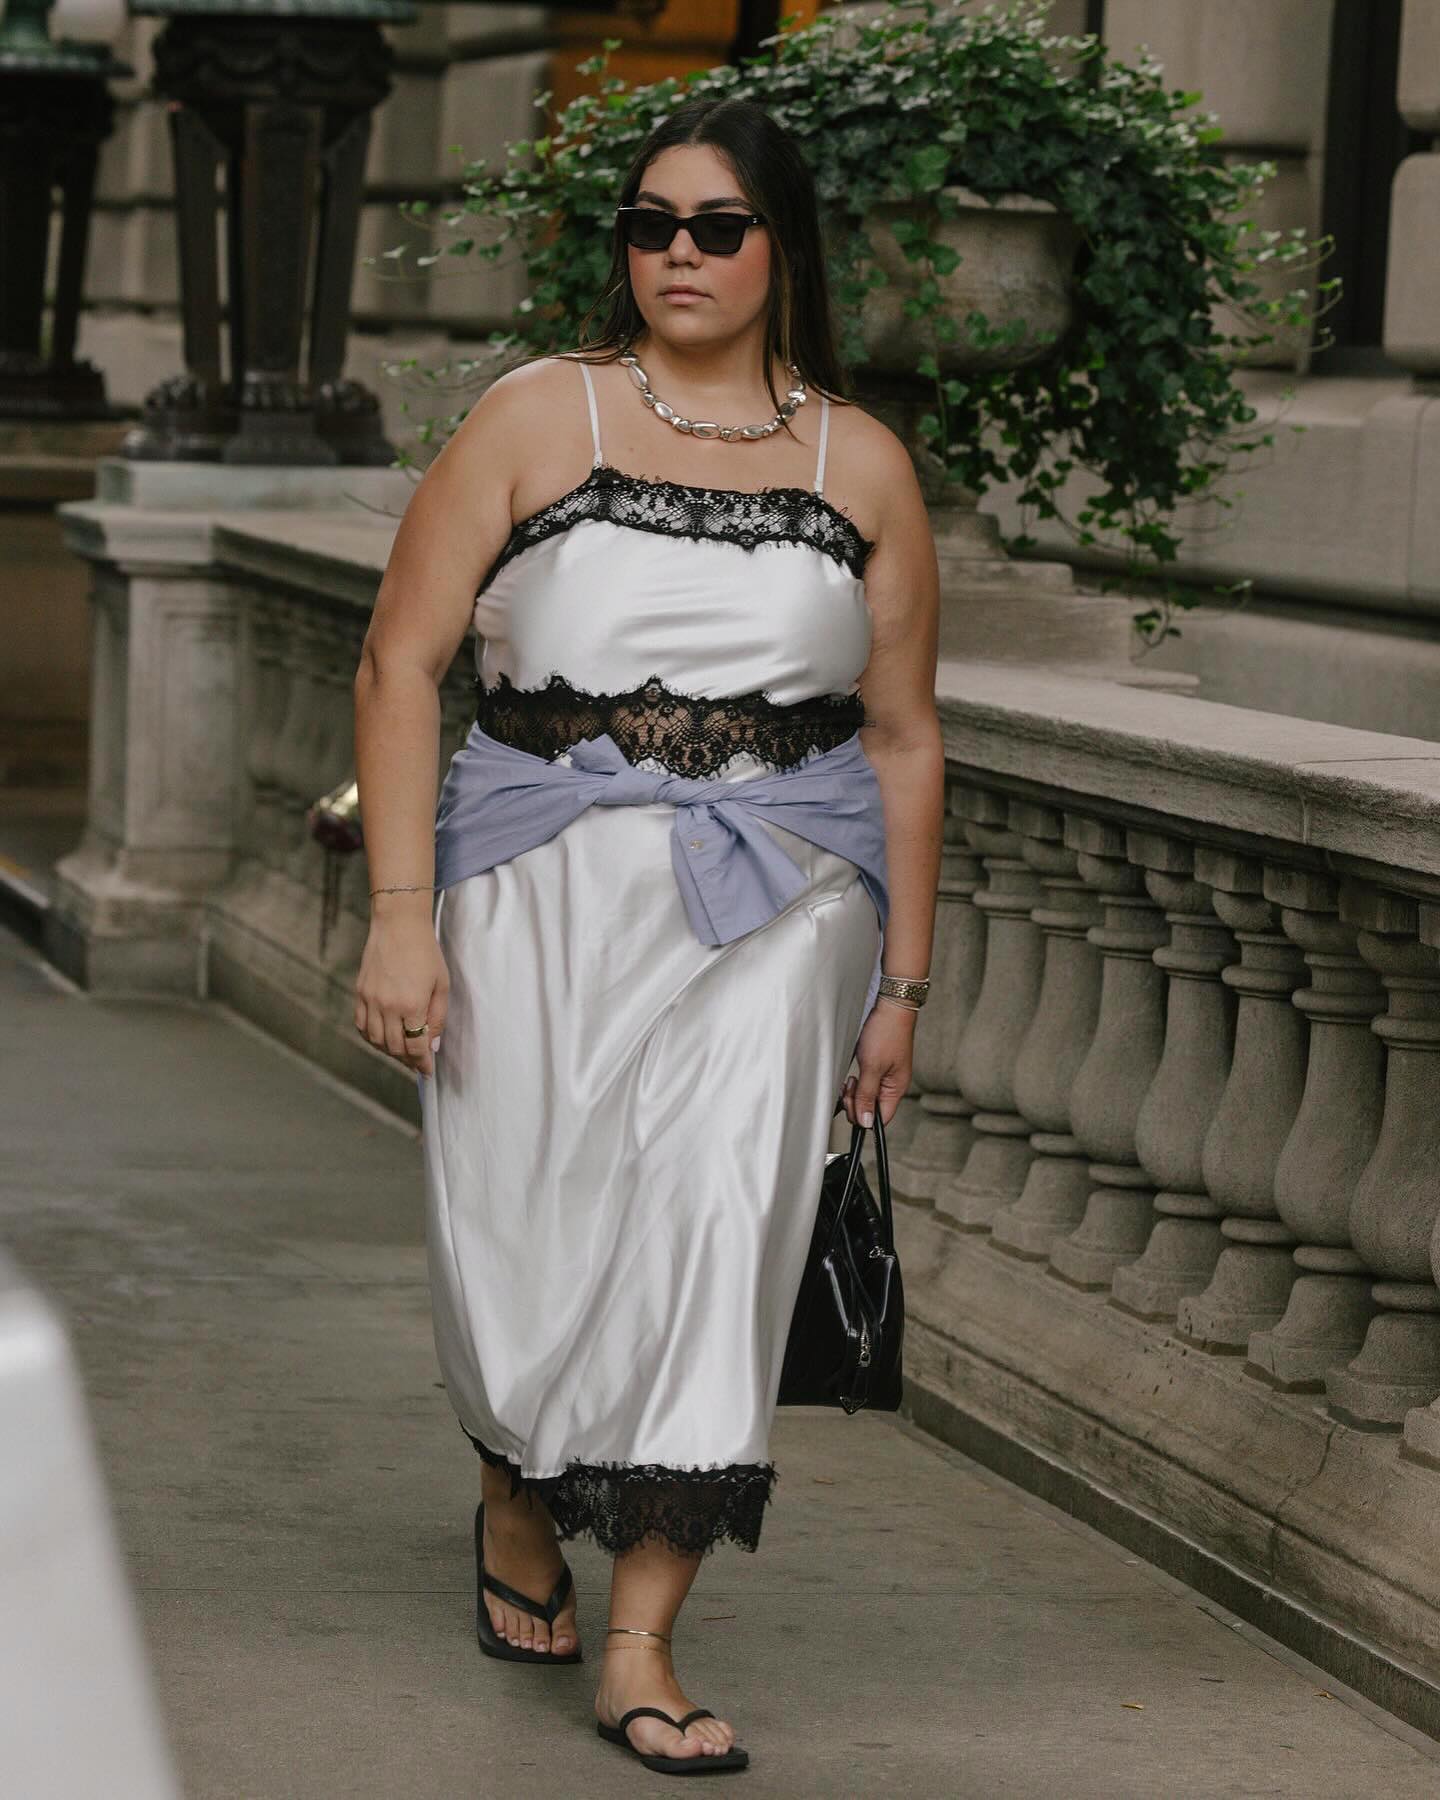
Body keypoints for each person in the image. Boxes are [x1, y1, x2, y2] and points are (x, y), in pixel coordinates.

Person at [352, 94, 942, 1777]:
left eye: (718, 226)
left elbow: (904, 737)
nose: (679, 254)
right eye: (650, 224)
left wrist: (902, 983)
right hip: (530, 880)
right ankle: (513, 1491)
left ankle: (643, 1641)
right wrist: (401, 919)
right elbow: (400, 662)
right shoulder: (538, 413)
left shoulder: (859, 463)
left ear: (781, 247)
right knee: (523, 1236)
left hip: (786, 895)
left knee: (715, 1223)